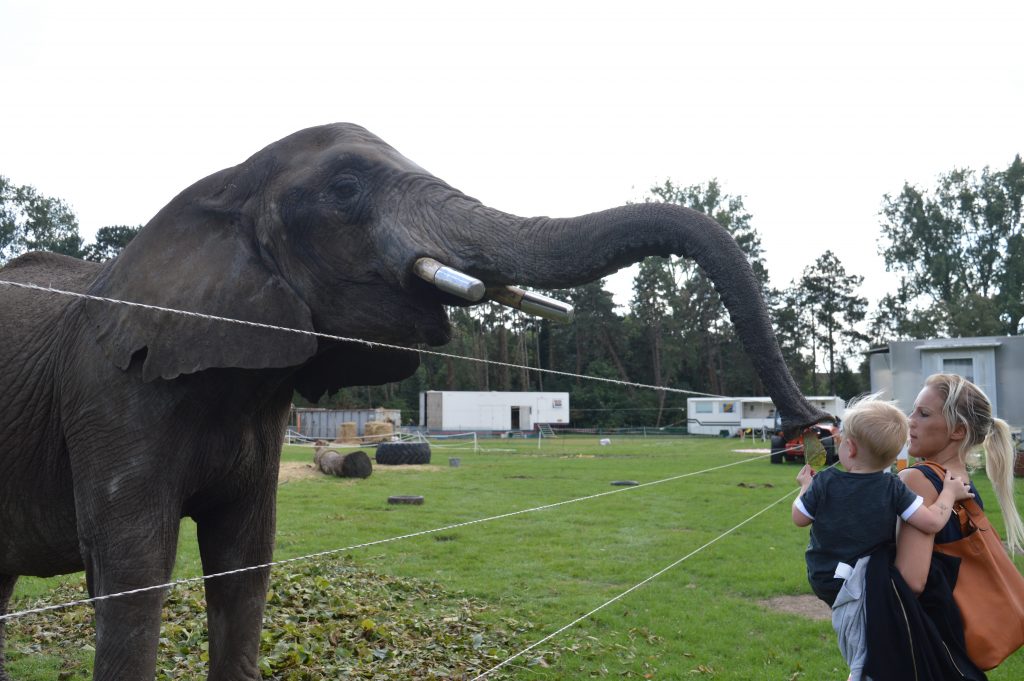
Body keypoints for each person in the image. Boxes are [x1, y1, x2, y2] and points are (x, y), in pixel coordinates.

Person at [791, 395, 974, 681]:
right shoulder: (893, 488)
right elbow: (932, 522)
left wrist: (805, 486)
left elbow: (799, 518)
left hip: (825, 578)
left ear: (850, 447)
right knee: (865, 650)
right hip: (865, 587)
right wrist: (948, 493)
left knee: (859, 647)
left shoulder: (825, 481)